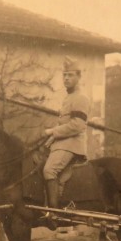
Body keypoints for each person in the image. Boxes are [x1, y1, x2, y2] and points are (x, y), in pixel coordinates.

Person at [42, 57, 90, 229]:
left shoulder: (80, 98)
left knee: (49, 170)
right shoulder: (68, 98)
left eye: (70, 75)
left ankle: (54, 213)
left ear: (78, 77)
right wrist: (50, 138)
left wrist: (53, 132)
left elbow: (77, 125)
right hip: (62, 142)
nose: (66, 79)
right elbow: (64, 124)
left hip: (73, 144)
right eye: (64, 75)